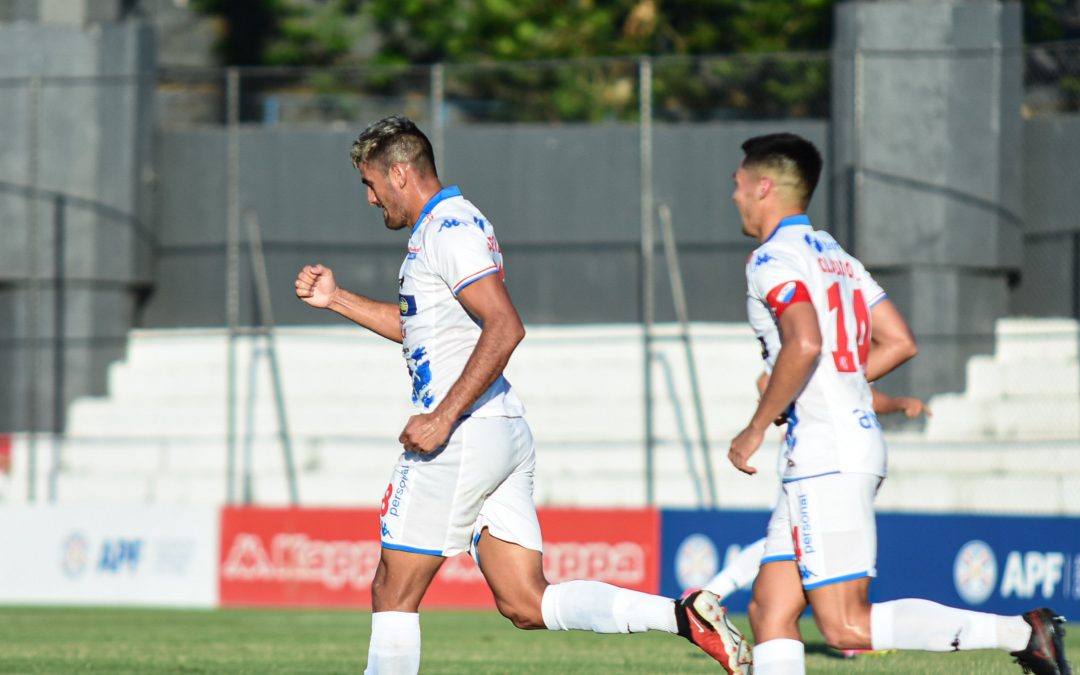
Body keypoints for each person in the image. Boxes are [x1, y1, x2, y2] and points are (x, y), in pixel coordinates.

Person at [294, 115, 751, 675]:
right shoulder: (446, 228)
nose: (369, 198)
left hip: (460, 435)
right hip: (497, 429)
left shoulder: (448, 229)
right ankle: (684, 617)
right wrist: (338, 299)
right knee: (525, 602)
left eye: (370, 183)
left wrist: (441, 417)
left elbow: (505, 326)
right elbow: (428, 328)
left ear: (399, 172)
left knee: (393, 591)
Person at [725, 132, 1071, 675]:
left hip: (826, 451)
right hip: (843, 438)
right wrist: (832, 384)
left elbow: (806, 342)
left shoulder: (773, 258)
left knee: (844, 626)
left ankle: (1022, 632)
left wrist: (755, 426)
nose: (735, 196)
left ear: (764, 187)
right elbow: (899, 341)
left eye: (739, 185)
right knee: (770, 609)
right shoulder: (836, 255)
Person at [705, 383, 932, 604]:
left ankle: (708, 598)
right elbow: (767, 378)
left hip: (831, 450)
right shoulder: (812, 344)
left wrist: (897, 402)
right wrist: (776, 410)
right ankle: (707, 596)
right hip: (815, 451)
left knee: (791, 539)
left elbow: (858, 389)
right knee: (793, 538)